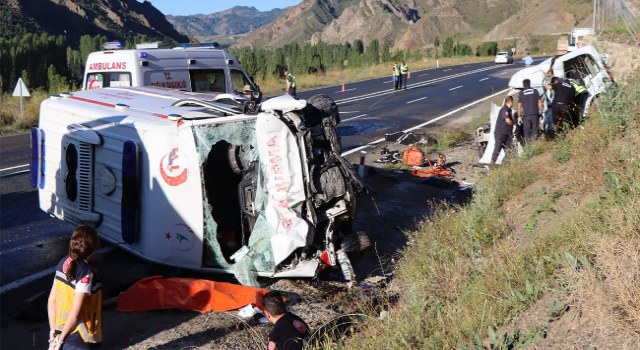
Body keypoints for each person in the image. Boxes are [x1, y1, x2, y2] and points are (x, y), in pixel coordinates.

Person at [47, 225, 102, 350]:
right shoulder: (85, 272)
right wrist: (60, 342)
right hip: (80, 337)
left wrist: (53, 333)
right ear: (93, 248)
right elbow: (75, 315)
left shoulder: (63, 263)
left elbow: (52, 301)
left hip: (60, 331)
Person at [491, 96, 515, 164]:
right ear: (510, 101)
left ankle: (509, 164)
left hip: (506, 134)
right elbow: (507, 120)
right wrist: (513, 124)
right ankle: (492, 165)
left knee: (509, 150)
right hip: (500, 133)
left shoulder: (509, 110)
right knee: (497, 150)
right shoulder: (504, 109)